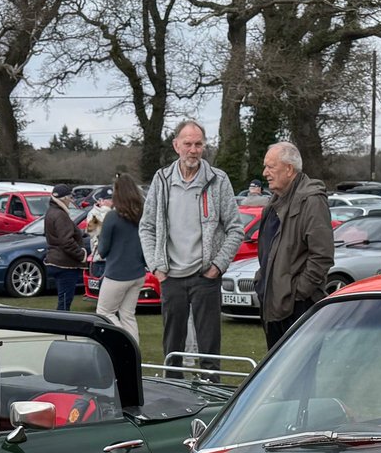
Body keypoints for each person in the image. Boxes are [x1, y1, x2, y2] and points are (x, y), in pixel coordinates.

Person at [138, 119, 242, 374]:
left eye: (198, 144)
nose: (193, 150)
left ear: (204, 146)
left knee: (209, 354)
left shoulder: (218, 180)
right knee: (172, 353)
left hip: (205, 278)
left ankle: (211, 403)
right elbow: (146, 227)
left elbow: (235, 229)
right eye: (188, 144)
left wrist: (217, 266)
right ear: (176, 146)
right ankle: (173, 402)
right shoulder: (161, 180)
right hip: (171, 277)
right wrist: (156, 267)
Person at [255, 142, 334, 350]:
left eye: (271, 167)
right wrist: (261, 282)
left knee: (301, 378)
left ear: (289, 169)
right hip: (274, 308)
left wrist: (296, 294)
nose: (265, 173)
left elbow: (322, 256)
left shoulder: (311, 201)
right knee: (275, 377)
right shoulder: (274, 204)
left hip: (297, 309)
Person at [92, 174, 147, 344]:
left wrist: (99, 236)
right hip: (138, 273)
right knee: (128, 315)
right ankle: (133, 353)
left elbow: (103, 250)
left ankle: (124, 343)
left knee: (104, 312)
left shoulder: (112, 217)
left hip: (117, 274)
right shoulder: (142, 215)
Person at [43, 181, 86, 311]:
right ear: (65, 198)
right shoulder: (61, 215)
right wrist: (81, 255)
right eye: (70, 197)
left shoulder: (51, 212)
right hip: (65, 264)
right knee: (65, 302)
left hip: (55, 260)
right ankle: (62, 329)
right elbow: (66, 241)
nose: (71, 200)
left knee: (63, 299)